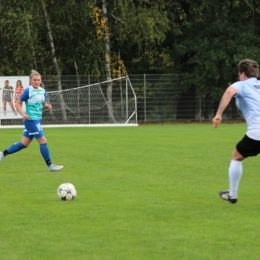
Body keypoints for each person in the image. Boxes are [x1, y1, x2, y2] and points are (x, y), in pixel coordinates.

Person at [212, 59, 260, 204]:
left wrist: (219, 114)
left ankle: (232, 194)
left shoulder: (241, 84)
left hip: (257, 131)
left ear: (242, 73)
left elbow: (229, 91)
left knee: (236, 156)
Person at [0, 70, 63, 171]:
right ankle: (50, 165)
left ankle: (2, 154)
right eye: (34, 80)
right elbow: (17, 103)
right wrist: (23, 114)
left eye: (38, 80)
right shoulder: (27, 91)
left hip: (37, 119)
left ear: (40, 80)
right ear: (30, 80)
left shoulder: (43, 91)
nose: (36, 82)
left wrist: (47, 106)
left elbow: (42, 105)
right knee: (43, 140)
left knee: (24, 143)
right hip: (31, 120)